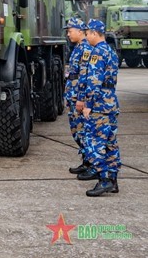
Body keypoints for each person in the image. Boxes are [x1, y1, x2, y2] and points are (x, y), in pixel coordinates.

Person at [74, 18, 121, 196]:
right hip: (110, 103)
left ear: (94, 33)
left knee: (93, 143)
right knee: (111, 144)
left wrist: (88, 105)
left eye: (87, 34)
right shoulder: (110, 51)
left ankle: (104, 180)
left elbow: (94, 82)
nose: (86, 37)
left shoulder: (97, 53)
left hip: (99, 106)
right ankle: (113, 179)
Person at [64, 17, 90, 176]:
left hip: (79, 95)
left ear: (80, 31)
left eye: (70, 31)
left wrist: (82, 98)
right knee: (77, 129)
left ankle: (91, 164)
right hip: (73, 93)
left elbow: (86, 76)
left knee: (83, 130)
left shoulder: (85, 49)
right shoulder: (78, 47)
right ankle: (86, 161)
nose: (68, 34)